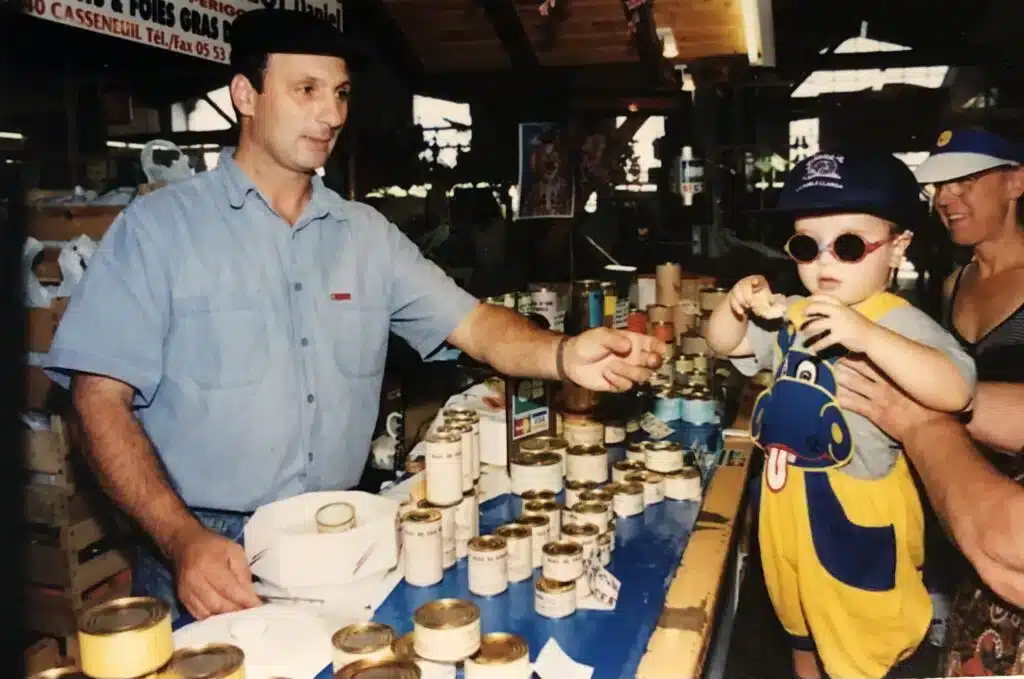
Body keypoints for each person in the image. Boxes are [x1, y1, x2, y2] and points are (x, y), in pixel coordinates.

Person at [43, 10, 665, 624]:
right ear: (245, 96)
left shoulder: (365, 236)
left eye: (340, 93)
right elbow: (98, 398)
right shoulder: (159, 230)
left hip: (341, 531)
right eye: (306, 90)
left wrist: (563, 355)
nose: (332, 114)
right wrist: (179, 539)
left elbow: (476, 325)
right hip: (206, 546)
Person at [705, 150, 977, 679]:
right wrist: (733, 305)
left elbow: (957, 389)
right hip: (787, 516)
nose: (824, 263)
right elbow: (726, 346)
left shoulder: (896, 320)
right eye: (807, 246)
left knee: (862, 648)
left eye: (848, 246)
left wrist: (867, 336)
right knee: (801, 633)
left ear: (897, 250)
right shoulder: (797, 312)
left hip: (856, 516)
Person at [838, 126, 1024, 676]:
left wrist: (922, 411)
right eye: (938, 185)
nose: (945, 198)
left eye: (965, 179)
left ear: (1016, 182)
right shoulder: (953, 280)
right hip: (956, 495)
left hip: (1000, 520)